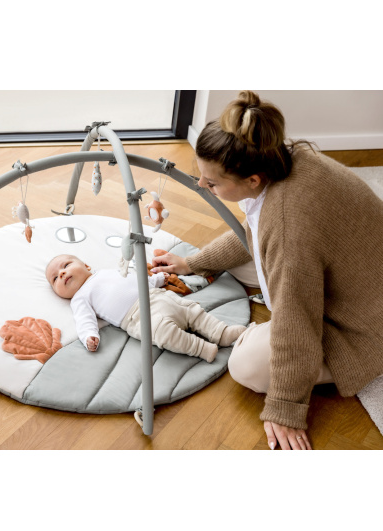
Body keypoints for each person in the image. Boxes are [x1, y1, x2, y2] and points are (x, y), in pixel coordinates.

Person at [150, 90, 383, 450]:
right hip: (350, 271)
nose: (202, 186)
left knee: (246, 366)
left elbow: (296, 318)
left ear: (253, 180)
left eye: (212, 183)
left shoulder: (288, 227)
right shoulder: (287, 160)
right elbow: (257, 231)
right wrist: (194, 263)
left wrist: (286, 407)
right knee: (245, 263)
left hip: (365, 326)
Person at [45, 254, 246, 362]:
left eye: (66, 265)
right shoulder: (79, 298)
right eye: (55, 279)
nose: (61, 274)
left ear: (86, 266)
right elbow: (84, 320)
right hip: (139, 318)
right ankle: (200, 348)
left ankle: (221, 332)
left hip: (157, 296)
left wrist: (157, 279)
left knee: (191, 310)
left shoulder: (107, 272)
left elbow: (135, 280)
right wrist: (89, 336)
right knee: (164, 334)